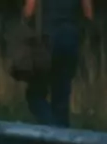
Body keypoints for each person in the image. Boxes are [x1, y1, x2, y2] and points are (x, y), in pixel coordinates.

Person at [22, 0, 93, 128]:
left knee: (34, 95)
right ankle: (62, 136)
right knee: (61, 98)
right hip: (70, 39)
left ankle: (53, 126)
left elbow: (29, 11)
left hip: (47, 40)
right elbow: (88, 13)